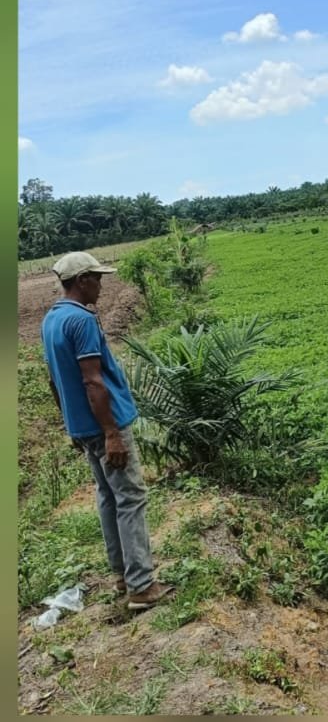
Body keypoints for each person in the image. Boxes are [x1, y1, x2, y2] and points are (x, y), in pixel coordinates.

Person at [40, 252, 172, 611]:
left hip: (83, 427)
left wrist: (71, 423)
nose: (101, 285)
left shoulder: (51, 320)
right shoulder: (81, 320)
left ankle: (122, 575)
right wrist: (112, 433)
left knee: (108, 497)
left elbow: (54, 380)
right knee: (130, 497)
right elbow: (93, 381)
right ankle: (141, 585)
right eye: (97, 278)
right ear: (82, 280)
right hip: (104, 425)